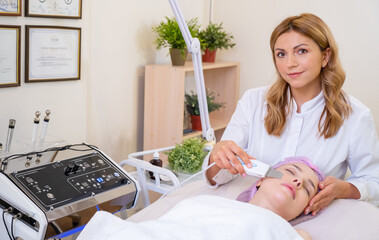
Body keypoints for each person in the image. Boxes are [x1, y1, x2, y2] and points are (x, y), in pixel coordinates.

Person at [203, 13, 379, 216]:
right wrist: (217, 157)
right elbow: (218, 177)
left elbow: (373, 181)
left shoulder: (356, 116)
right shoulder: (254, 102)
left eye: (301, 51)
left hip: (311, 219)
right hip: (250, 209)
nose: (290, 64)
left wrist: (346, 189)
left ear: (325, 56)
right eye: (281, 54)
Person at [238, 156, 324, 240]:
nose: (299, 181)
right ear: (261, 180)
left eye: (307, 189)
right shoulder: (225, 207)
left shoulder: (295, 236)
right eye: (290, 171)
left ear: (300, 212)